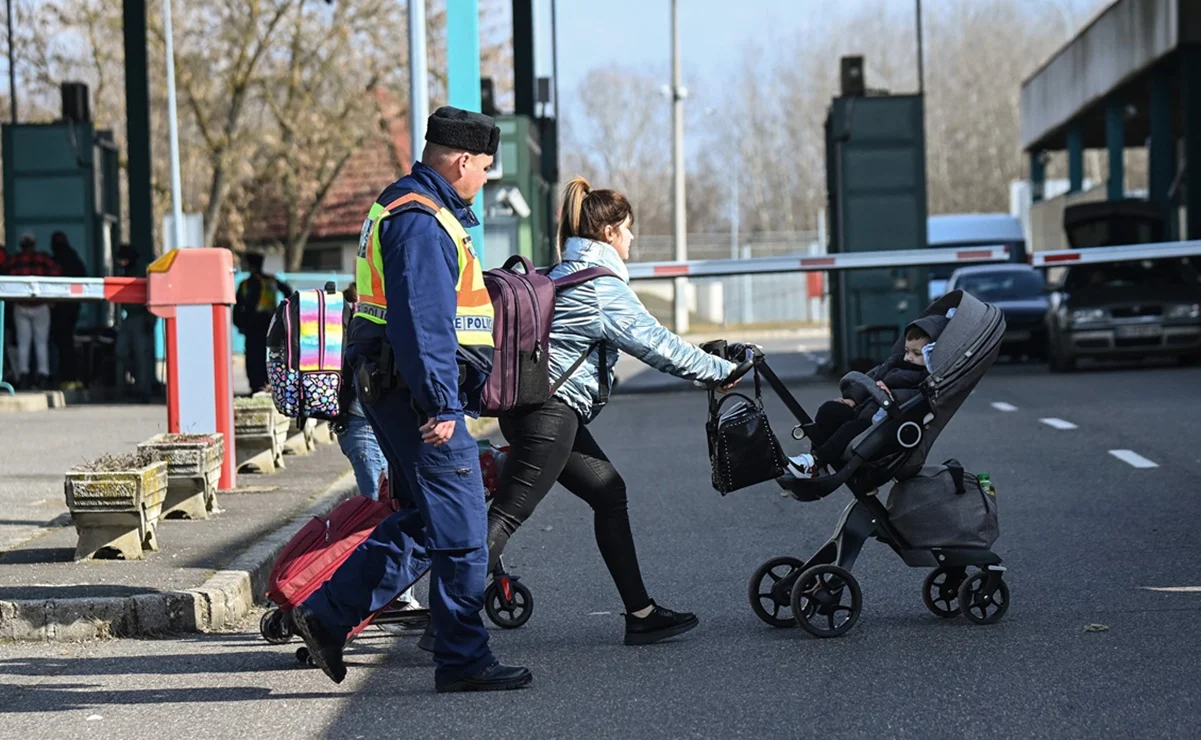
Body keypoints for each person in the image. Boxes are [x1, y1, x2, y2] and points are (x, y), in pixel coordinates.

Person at [289, 106, 531, 693]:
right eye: (485, 170)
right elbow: (424, 326)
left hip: (397, 392)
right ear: (463, 160)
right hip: (419, 398)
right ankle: (462, 660)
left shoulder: (404, 206)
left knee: (428, 522)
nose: (485, 181)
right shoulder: (422, 220)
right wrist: (442, 406)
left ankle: (327, 614)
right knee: (466, 527)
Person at [481, 176, 740, 646]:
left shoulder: (558, 274)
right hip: (549, 416)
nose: (633, 238)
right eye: (629, 229)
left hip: (533, 411)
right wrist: (719, 371)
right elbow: (656, 344)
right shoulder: (600, 287)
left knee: (608, 492)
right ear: (609, 233)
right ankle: (445, 624)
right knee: (506, 516)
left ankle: (641, 614)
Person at [335, 282, 420, 610]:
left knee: (393, 508)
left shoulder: (365, 323)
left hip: (378, 426)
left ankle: (393, 592)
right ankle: (375, 593)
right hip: (364, 428)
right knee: (378, 512)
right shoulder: (364, 326)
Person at [787, 315, 948, 478]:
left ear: (930, 355)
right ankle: (817, 465)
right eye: (907, 351)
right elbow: (871, 377)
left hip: (884, 425)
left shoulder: (923, 379)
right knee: (829, 410)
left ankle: (815, 461)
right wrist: (852, 398)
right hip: (866, 410)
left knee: (849, 429)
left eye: (917, 353)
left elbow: (912, 399)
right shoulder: (894, 364)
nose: (909, 357)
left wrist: (890, 396)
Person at [7, 232, 61, 390]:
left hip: (21, 305)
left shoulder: (14, 260)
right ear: (34, 244)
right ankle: (42, 375)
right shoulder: (42, 259)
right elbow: (57, 273)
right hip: (40, 305)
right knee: (41, 343)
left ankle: (23, 375)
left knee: (23, 343)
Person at [234, 253, 291, 393]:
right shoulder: (271, 280)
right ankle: (266, 385)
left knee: (254, 357)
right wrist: (283, 314)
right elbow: (288, 293)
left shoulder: (246, 283)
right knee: (268, 355)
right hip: (268, 324)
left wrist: (240, 323)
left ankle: (256, 386)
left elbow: (238, 306)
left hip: (253, 326)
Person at [114, 245, 158, 401]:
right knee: (121, 351)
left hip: (142, 317)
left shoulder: (143, 271)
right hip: (130, 317)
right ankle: (131, 384)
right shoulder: (125, 271)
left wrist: (150, 319)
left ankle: (143, 389)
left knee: (142, 355)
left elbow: (152, 294)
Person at [50, 232, 87, 390]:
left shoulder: (55, 261)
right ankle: (71, 377)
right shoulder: (75, 259)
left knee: (62, 343)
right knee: (67, 343)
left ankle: (66, 377)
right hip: (72, 308)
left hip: (60, 310)